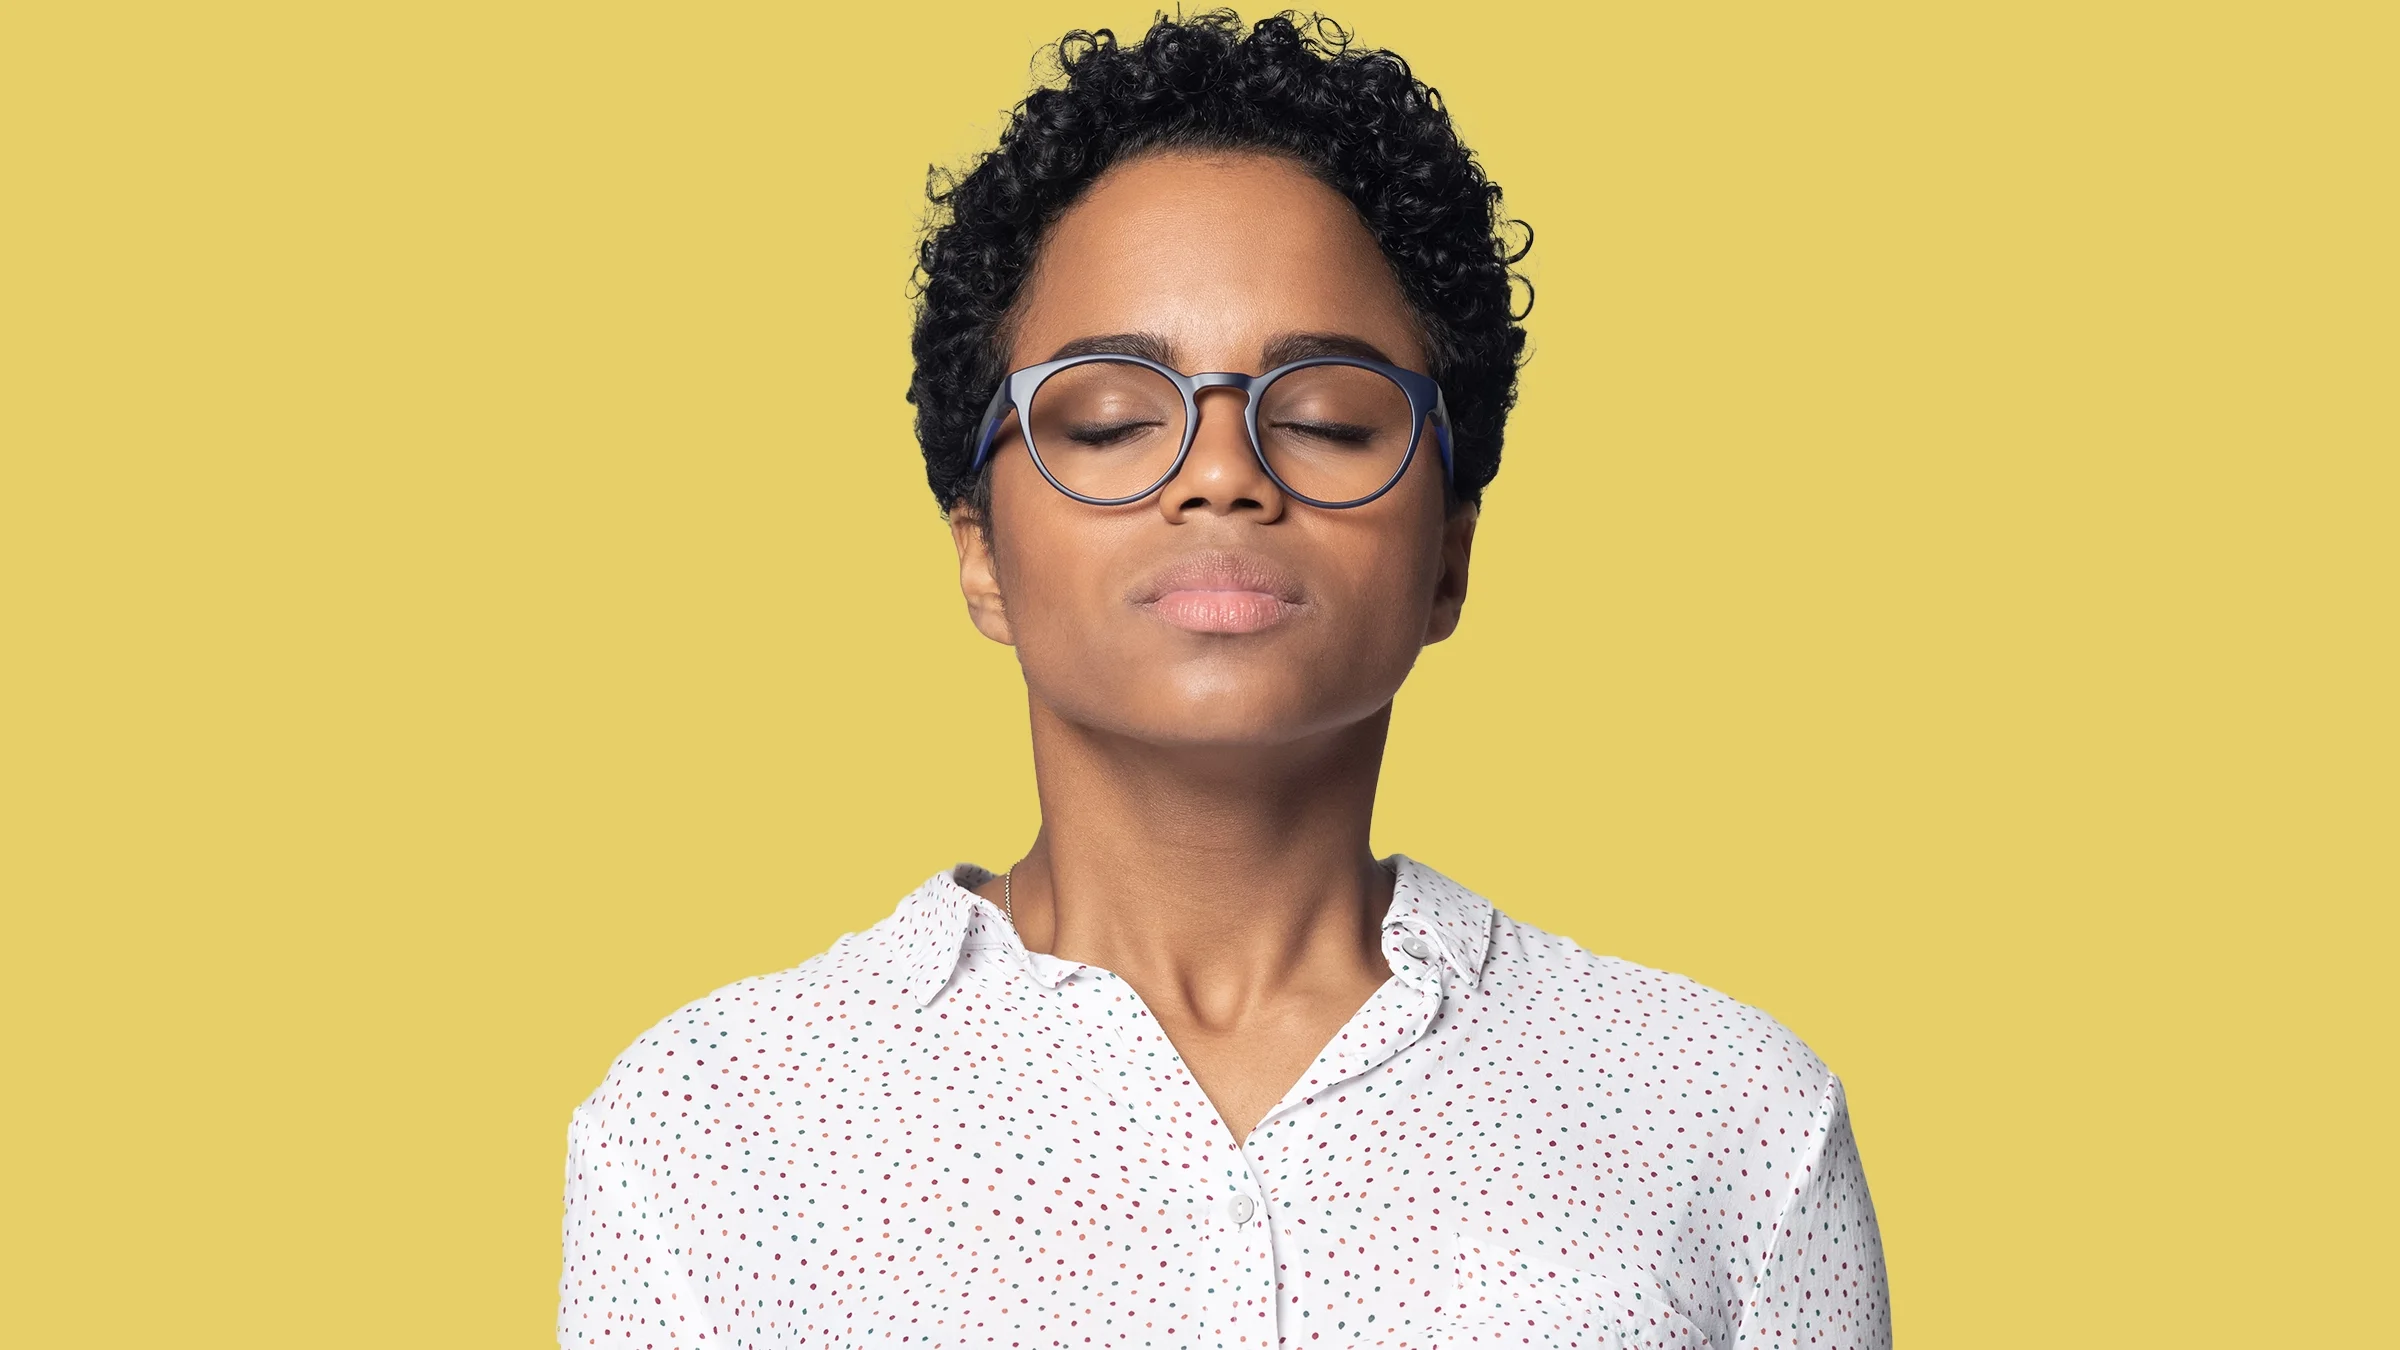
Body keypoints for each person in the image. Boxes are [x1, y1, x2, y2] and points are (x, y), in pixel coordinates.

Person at [558, 13, 1888, 1347]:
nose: (1221, 471)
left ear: (1449, 557)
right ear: (981, 555)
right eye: (1111, 419)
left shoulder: (1728, 1114)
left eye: (1322, 420)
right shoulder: (705, 1129)